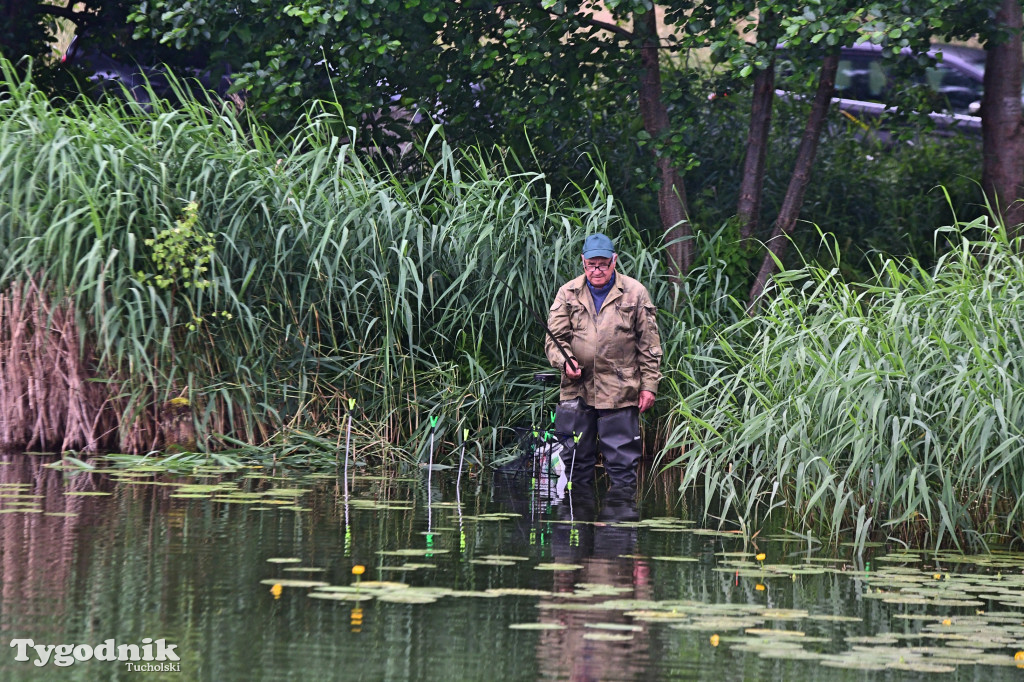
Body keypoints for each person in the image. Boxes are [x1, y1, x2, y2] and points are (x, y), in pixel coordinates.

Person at [545, 232, 663, 490]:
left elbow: (649, 345)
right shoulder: (568, 293)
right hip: (577, 388)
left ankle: (618, 525)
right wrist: (566, 363)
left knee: (622, 466)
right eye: (591, 264)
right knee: (574, 461)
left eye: (602, 264)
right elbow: (554, 340)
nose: (597, 270)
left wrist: (649, 386)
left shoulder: (635, 292)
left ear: (614, 261)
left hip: (620, 389)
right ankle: (579, 523)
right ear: (583, 262)